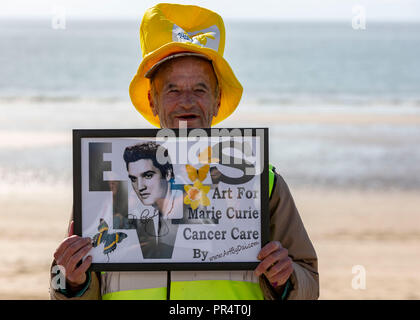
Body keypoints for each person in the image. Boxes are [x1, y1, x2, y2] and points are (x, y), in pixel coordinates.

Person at [50, 3, 318, 300]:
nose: (187, 102)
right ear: (153, 101)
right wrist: (71, 282)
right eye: (173, 90)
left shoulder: (261, 182)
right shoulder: (105, 186)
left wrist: (285, 278)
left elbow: (308, 281)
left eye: (200, 90)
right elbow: (64, 287)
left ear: (217, 100)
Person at [123, 141, 183, 258]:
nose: (140, 187)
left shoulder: (191, 212)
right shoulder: (147, 216)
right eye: (133, 179)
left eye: (148, 175)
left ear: (168, 174)